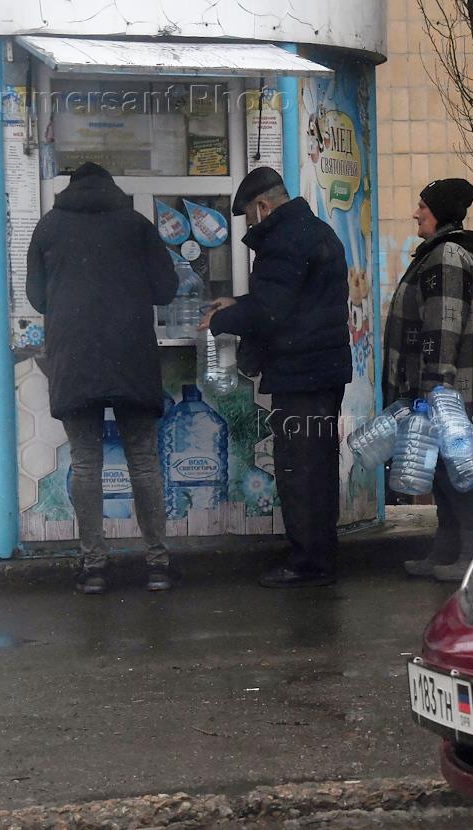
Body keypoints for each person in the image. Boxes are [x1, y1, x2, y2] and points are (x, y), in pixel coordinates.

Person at [25, 162, 178, 595]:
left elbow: (37, 297)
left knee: (86, 464)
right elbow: (166, 290)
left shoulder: (48, 227)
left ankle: (94, 568)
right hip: (131, 357)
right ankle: (158, 566)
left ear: (69, 189)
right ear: (113, 188)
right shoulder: (136, 224)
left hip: (74, 359)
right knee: (144, 462)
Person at [199, 167, 350, 589]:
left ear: (263, 207)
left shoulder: (283, 241)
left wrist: (220, 319)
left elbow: (271, 312)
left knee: (299, 470)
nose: (250, 224)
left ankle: (307, 564)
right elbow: (287, 300)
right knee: (316, 468)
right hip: (321, 371)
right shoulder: (315, 231)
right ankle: (319, 556)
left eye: (249, 216)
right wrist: (239, 303)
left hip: (301, 374)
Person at [383, 179, 473, 583]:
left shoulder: (447, 257)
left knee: (455, 467)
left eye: (422, 206)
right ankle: (447, 546)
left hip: (440, 389)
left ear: (439, 213)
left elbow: (443, 327)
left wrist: (436, 390)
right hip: (434, 386)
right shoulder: (437, 254)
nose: (416, 213)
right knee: (440, 468)